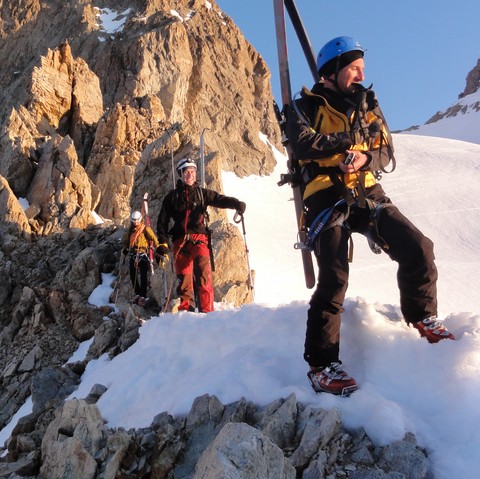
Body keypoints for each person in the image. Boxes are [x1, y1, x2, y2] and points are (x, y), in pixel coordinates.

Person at [284, 36, 455, 396]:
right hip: (325, 194)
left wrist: (364, 158)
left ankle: (421, 316)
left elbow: (385, 151)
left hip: (366, 189)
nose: (362, 74)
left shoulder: (368, 105)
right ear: (332, 71)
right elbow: (302, 145)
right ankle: (321, 363)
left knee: (418, 247)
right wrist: (350, 141)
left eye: (362, 68)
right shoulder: (303, 106)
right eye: (354, 68)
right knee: (333, 273)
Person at [156, 158, 246, 313]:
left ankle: (207, 313)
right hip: (180, 242)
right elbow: (162, 222)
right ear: (181, 174)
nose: (189, 175)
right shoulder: (172, 198)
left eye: (192, 171)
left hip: (200, 240)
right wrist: (162, 243)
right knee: (184, 282)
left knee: (204, 277)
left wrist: (236, 204)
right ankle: (187, 313)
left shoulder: (202, 194)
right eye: (186, 172)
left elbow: (219, 199)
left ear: (195, 174)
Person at [122, 210, 159, 306]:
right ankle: (138, 294)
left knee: (143, 276)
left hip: (143, 253)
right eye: (133, 220)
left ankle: (143, 296)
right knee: (133, 275)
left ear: (140, 219)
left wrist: (158, 247)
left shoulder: (145, 229)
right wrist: (125, 249)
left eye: (136, 220)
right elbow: (126, 240)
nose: (135, 222)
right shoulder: (131, 230)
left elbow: (153, 238)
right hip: (133, 253)